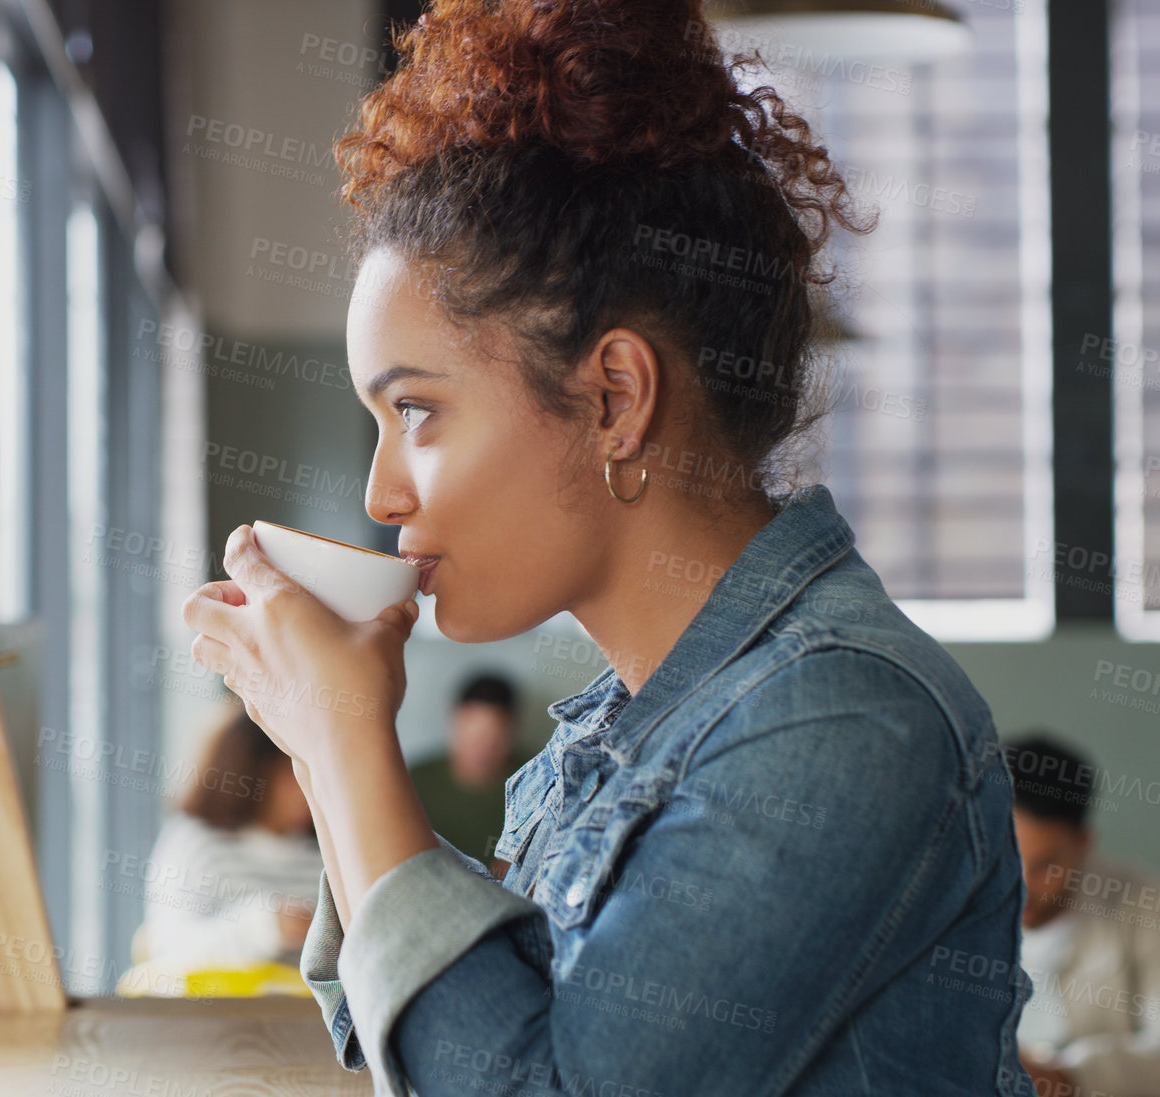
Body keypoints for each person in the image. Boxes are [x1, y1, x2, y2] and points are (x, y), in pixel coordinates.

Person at [179, 1, 1035, 1093]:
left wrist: (345, 743)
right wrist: (320, 734)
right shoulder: (630, 721)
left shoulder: (841, 716)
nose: (381, 490)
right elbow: (446, 1037)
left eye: (419, 412)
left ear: (615, 398)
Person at [1005, 734, 1160, 1096]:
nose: (1022, 887)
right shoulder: (937, 910)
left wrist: (1066, 1080)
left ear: (1083, 844)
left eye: (1046, 864)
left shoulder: (1144, 906)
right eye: (1007, 859)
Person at [130, 703, 324, 972]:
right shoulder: (195, 842)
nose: (313, 785)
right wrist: (264, 927)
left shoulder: (326, 851)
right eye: (295, 771)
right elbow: (169, 950)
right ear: (253, 770)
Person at [407, 673, 535, 875]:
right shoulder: (416, 780)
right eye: (473, 734)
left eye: (495, 736)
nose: (483, 748)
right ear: (454, 721)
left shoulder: (535, 780)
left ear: (513, 729)